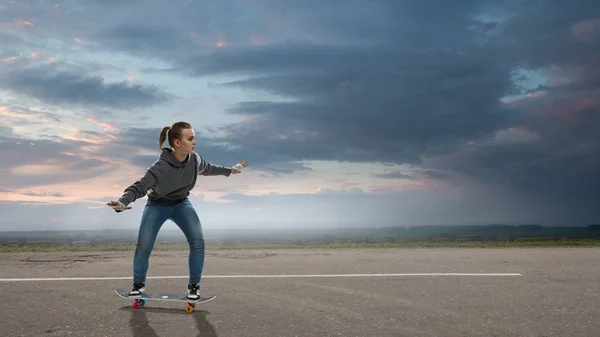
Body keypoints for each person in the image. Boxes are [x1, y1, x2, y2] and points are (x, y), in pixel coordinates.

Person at [106, 121, 248, 301]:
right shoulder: (159, 167)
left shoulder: (194, 159)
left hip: (181, 204)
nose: (194, 142)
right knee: (144, 246)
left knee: (198, 243)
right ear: (177, 143)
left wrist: (230, 171)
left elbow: (209, 168)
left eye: (194, 138)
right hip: (157, 205)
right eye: (190, 139)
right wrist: (122, 202)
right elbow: (139, 187)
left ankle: (194, 287)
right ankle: (138, 286)